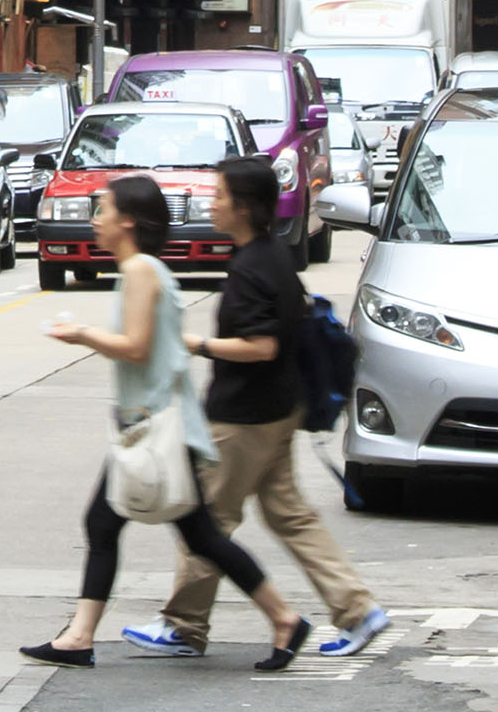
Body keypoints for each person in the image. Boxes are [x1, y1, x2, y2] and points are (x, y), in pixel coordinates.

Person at [21, 174, 310, 673]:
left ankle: (81, 637)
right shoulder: (143, 269)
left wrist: (83, 334)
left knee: (153, 530)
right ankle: (81, 636)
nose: (96, 219)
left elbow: (136, 346)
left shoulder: (142, 272)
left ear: (127, 220)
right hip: (154, 427)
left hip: (159, 430)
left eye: (103, 209)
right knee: (182, 535)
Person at [123, 156, 388, 663]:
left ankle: (183, 625)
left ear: (243, 207)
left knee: (208, 520)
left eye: (219, 196)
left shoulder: (250, 270)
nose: (212, 203)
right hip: (279, 409)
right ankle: (357, 610)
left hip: (243, 417)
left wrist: (197, 343)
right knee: (290, 515)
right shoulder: (275, 257)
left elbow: (261, 346)